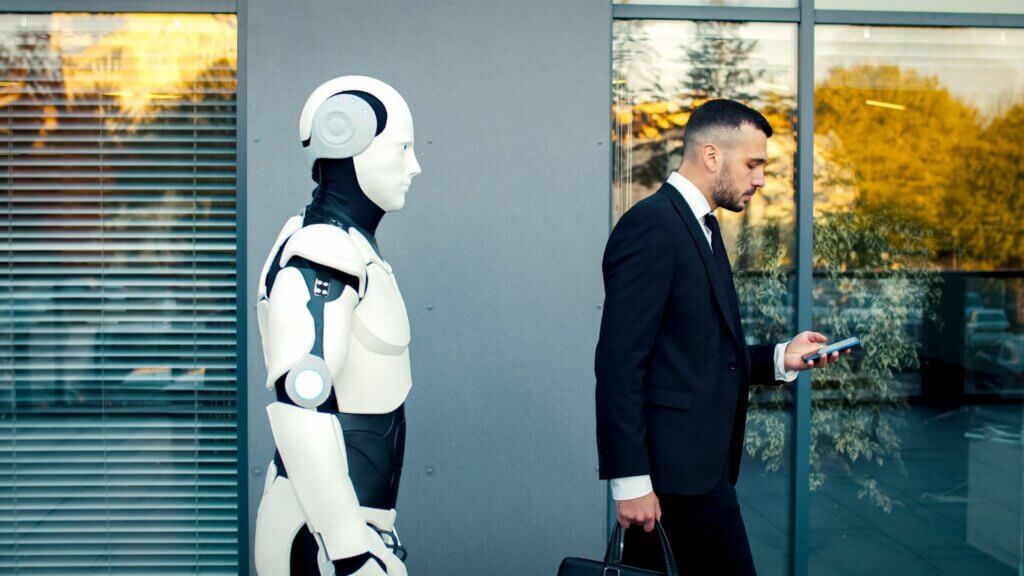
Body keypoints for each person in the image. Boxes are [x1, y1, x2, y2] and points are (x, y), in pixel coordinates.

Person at [595, 99, 844, 574]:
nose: (760, 180)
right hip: (669, 483)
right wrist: (630, 481)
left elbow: (698, 355)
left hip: (700, 473)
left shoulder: (702, 227)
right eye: (753, 164)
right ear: (712, 155)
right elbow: (619, 363)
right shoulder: (652, 226)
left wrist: (779, 359)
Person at [253, 76, 421, 576]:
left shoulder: (346, 247)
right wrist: (348, 547)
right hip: (320, 533)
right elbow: (304, 402)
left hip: (344, 523)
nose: (414, 165)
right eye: (402, 148)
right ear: (347, 139)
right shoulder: (321, 250)